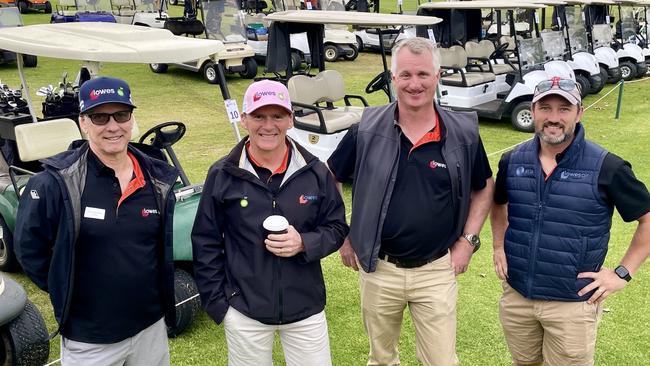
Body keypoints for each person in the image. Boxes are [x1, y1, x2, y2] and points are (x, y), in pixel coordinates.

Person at [327, 37, 494, 366]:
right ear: (393, 78)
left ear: (437, 75)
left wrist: (468, 241)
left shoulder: (462, 133)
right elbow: (330, 176)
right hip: (379, 269)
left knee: (441, 361)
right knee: (381, 358)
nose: (414, 84)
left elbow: (484, 186)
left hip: (436, 270)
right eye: (405, 75)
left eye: (422, 74)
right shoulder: (365, 130)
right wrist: (344, 233)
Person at [15, 76, 178, 365]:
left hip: (150, 328)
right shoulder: (54, 183)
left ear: (131, 119)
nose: (113, 126)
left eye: (121, 115)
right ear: (83, 122)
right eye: (99, 117)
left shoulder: (157, 177)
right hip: (89, 338)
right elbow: (30, 250)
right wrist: (67, 289)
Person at [491, 76, 650, 366]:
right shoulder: (512, 160)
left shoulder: (607, 166)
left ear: (579, 113)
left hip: (572, 306)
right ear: (533, 110)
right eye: (545, 108)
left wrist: (621, 274)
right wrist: (498, 246)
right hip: (517, 298)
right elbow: (497, 202)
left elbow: (648, 220)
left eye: (564, 109)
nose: (553, 118)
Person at [191, 79, 348, 366]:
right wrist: (220, 305)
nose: (268, 125)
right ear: (244, 118)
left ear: (290, 119)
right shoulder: (223, 174)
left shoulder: (315, 171)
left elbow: (337, 227)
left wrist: (304, 242)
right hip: (244, 311)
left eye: (277, 116)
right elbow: (205, 240)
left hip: (306, 309)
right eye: (259, 116)